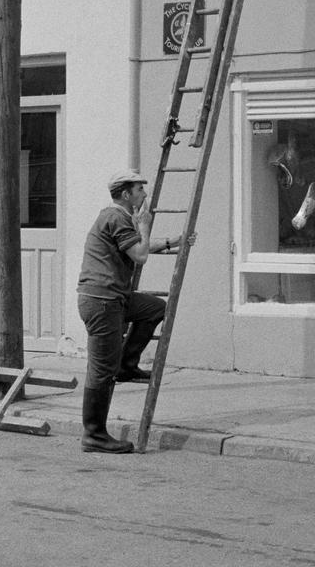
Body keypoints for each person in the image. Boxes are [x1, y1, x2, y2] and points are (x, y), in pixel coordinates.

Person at [76, 169, 194, 454]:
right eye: (140, 190)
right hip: (102, 301)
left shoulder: (117, 218)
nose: (144, 195)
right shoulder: (117, 217)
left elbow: (136, 247)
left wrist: (172, 242)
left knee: (154, 308)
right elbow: (140, 255)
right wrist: (145, 223)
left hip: (113, 298)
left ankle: (126, 364)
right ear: (126, 194)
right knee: (101, 370)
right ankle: (93, 434)